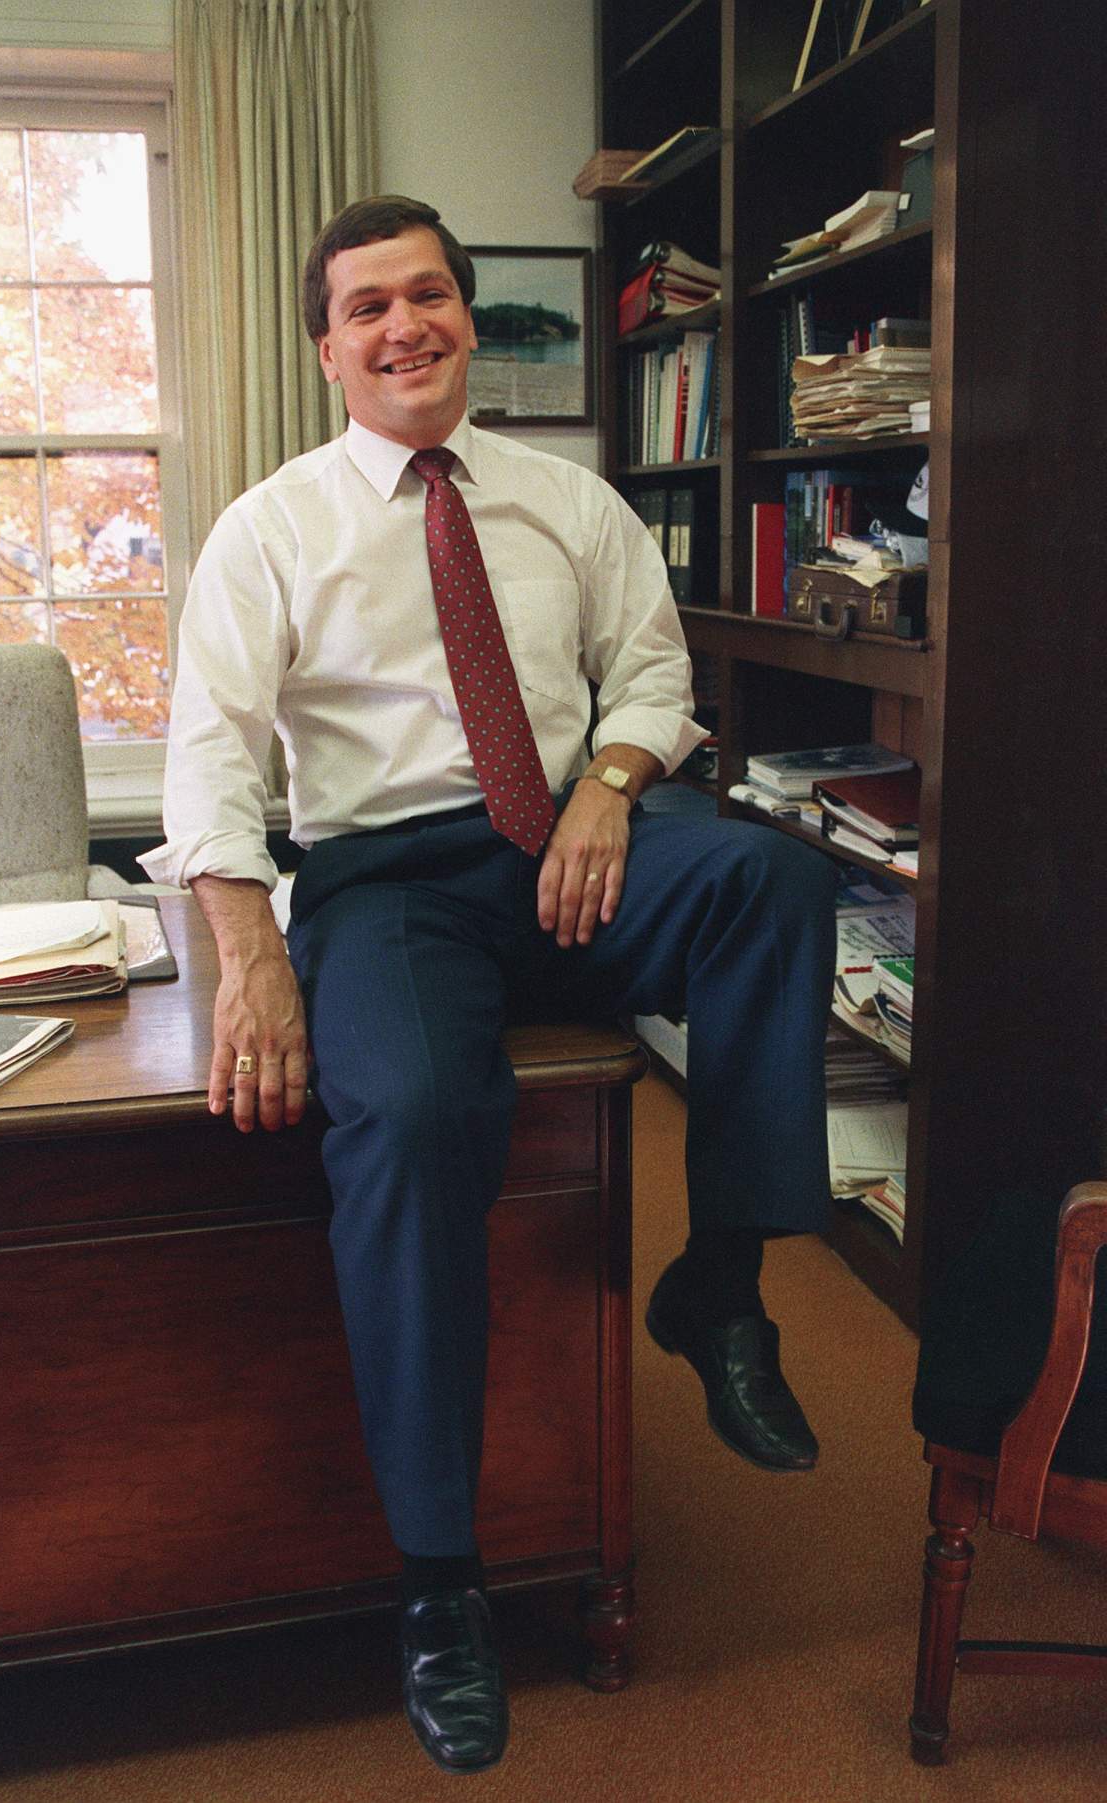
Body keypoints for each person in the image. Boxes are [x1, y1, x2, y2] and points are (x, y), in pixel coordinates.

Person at [141, 195, 838, 1775]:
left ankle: (718, 1288)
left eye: (432, 296)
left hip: (575, 843)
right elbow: (211, 764)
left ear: (466, 315)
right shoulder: (273, 530)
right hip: (394, 884)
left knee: (772, 879)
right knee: (417, 1111)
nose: (409, 327)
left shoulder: (568, 501)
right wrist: (250, 956)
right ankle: (440, 1579)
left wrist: (610, 783)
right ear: (329, 349)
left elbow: (655, 674)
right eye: (371, 307)